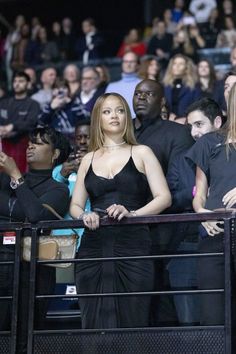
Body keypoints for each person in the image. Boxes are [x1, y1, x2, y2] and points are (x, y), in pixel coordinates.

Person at [70, 92, 171, 329]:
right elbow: (75, 205)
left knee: (133, 318)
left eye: (120, 110)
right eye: (107, 111)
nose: (114, 115)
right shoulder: (88, 159)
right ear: (98, 119)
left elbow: (164, 197)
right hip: (92, 248)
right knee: (93, 321)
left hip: (133, 244)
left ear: (127, 116)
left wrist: (133, 214)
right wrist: (85, 214)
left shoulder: (142, 152)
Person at [0, 126, 71, 353]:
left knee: (24, 333)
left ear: (55, 154)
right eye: (30, 142)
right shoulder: (4, 182)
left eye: (39, 143)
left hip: (31, 270)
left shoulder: (58, 189)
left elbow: (36, 215)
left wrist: (16, 176)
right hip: (2, 262)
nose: (30, 146)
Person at [133, 79, 194, 326]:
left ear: (162, 102)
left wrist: (152, 208)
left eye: (149, 94)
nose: (141, 97)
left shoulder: (177, 132)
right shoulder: (126, 135)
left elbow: (183, 188)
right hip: (128, 228)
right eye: (138, 93)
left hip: (165, 228)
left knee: (162, 300)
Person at [166, 98, 223, 325]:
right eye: (190, 126)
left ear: (217, 122)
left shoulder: (231, 152)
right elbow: (172, 196)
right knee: (192, 325)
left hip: (226, 238)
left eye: (199, 124)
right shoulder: (182, 159)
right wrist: (198, 194)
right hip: (189, 244)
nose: (194, 132)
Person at [185, 82, 236, 325]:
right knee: (214, 312)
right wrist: (201, 214)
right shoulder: (209, 142)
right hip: (215, 232)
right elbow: (199, 194)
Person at [0, 71, 40, 172]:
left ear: (28, 84)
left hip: (22, 146)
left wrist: (12, 126)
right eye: (15, 81)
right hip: (3, 145)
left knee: (19, 176)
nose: (17, 83)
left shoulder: (33, 104)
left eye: (21, 81)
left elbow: (31, 122)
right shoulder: (4, 103)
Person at [163, 54, 201, 123]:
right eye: (175, 63)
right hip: (168, 122)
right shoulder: (165, 86)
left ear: (186, 68)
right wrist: (169, 115)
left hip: (186, 122)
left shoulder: (194, 86)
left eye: (181, 64)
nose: (177, 66)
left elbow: (197, 107)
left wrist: (185, 119)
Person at [105, 51, 141, 118]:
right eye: (126, 61)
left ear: (138, 65)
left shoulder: (143, 85)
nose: (128, 64)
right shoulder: (111, 87)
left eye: (132, 62)